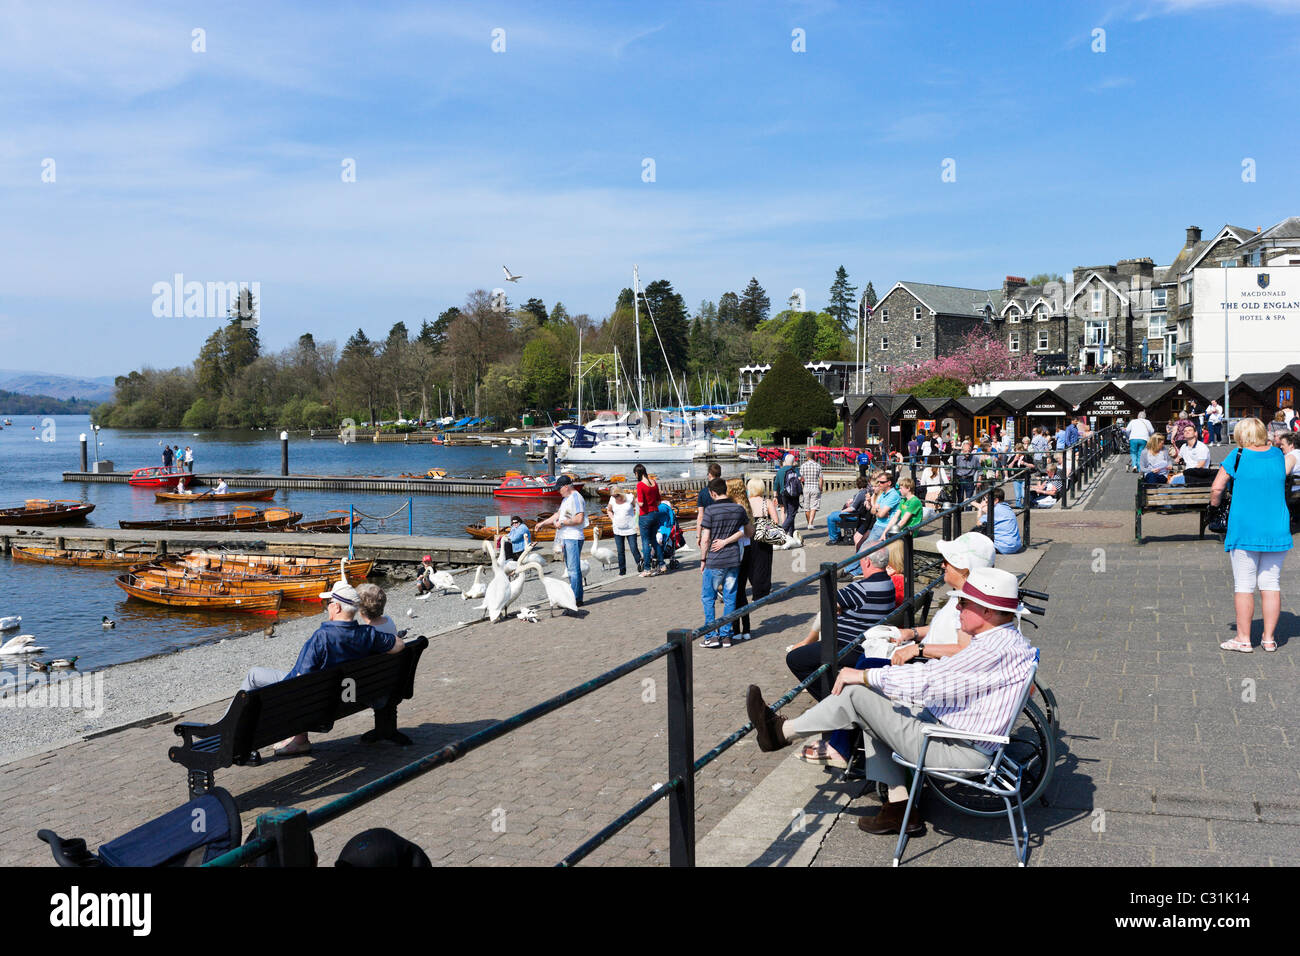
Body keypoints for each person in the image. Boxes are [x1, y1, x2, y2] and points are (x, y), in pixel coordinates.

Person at [747, 566, 1035, 835]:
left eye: (963, 604)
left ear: (986, 610)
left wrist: (866, 676)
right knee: (874, 698)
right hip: (957, 735)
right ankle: (899, 808)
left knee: (858, 690)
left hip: (957, 750)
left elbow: (931, 684)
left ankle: (780, 733)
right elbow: (941, 676)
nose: (957, 608)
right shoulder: (1005, 642)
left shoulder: (991, 651)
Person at [239, 581, 404, 755]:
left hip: (310, 699)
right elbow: (399, 644)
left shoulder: (322, 637)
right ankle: (299, 739)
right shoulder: (367, 634)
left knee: (254, 675)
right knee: (304, 683)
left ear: (337, 608)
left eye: (329, 603)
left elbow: (299, 682)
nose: (327, 607)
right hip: (344, 696)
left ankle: (226, 726)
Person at [782, 548, 897, 767]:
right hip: (861, 645)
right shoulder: (887, 583)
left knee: (796, 659)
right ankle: (836, 707)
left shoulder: (861, 588)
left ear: (866, 562)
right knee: (812, 658)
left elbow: (828, 604)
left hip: (849, 648)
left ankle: (834, 708)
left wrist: (840, 611)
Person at [1211, 418, 1292, 653]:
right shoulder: (1278, 455)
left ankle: (1243, 639)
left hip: (1245, 528)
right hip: (1276, 528)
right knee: (1271, 584)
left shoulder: (1237, 456)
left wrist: (1214, 505)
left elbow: (1217, 488)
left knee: (1244, 585)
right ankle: (1268, 639)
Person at [698, 478, 752, 649]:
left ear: (713, 493)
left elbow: (705, 539)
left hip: (715, 560)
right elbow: (749, 531)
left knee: (708, 598)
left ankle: (712, 636)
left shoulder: (710, 511)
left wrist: (703, 559)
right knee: (730, 597)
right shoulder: (738, 509)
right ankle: (727, 636)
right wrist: (733, 537)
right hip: (733, 559)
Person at [534, 475, 587, 607]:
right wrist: (542, 523)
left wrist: (562, 523)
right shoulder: (566, 499)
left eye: (559, 488)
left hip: (573, 537)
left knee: (573, 570)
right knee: (571, 569)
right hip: (567, 537)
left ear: (566, 486)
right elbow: (557, 515)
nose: (558, 491)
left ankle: (574, 599)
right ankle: (575, 598)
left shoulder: (576, 498)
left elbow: (579, 519)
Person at [745, 477, 779, 604]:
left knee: (750, 564)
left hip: (749, 535)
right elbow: (776, 521)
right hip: (764, 534)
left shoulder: (745, 503)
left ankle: (756, 588)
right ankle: (762, 592)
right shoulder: (767, 502)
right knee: (764, 563)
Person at [633, 464, 663, 577]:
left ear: (637, 473)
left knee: (645, 542)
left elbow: (640, 503)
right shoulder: (654, 483)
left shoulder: (640, 485)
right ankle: (662, 564)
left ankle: (647, 569)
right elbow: (659, 502)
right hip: (655, 513)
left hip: (645, 515)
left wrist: (635, 499)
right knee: (654, 541)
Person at [974, 487, 1024, 554]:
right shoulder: (1007, 507)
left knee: (979, 530)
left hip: (1004, 547)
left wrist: (980, 509)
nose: (986, 501)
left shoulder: (994, 511)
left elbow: (978, 524)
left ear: (996, 500)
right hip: (1016, 546)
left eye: (987, 499)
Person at [605, 490, 642, 576]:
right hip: (618, 529)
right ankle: (622, 571)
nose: (615, 497)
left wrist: (637, 521)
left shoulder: (629, 497)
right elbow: (609, 510)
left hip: (631, 528)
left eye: (617, 495)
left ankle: (641, 566)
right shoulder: (612, 499)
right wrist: (613, 519)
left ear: (621, 493)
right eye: (614, 496)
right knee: (620, 551)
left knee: (634, 549)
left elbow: (637, 507)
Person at [862, 470, 901, 545]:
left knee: (865, 549)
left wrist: (878, 510)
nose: (879, 484)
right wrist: (879, 510)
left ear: (889, 483)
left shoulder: (893, 495)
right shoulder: (883, 494)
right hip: (877, 525)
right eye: (878, 482)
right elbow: (872, 511)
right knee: (864, 547)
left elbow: (880, 514)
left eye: (882, 482)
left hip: (884, 527)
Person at [827, 476, 869, 545]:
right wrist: (852, 500)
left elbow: (853, 508)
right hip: (857, 514)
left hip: (854, 515)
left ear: (858, 484)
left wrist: (842, 511)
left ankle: (834, 539)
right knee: (833, 513)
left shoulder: (860, 493)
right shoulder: (865, 492)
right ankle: (837, 536)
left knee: (830, 518)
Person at [695, 463, 723, 546]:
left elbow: (700, 516)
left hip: (709, 527)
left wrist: (698, 536)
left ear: (709, 474)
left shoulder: (703, 492)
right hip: (724, 526)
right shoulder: (726, 489)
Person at [775, 453, 799, 536]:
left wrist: (775, 496)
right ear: (793, 461)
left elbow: (776, 484)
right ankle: (782, 531)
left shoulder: (780, 471)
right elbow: (799, 480)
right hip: (793, 495)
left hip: (783, 494)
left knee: (788, 513)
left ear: (785, 461)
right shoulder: (795, 470)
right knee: (792, 514)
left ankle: (791, 534)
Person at [799, 453, 824, 530]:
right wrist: (820, 488)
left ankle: (809, 523)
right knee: (814, 506)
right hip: (815, 488)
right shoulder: (818, 466)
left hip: (806, 488)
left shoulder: (803, 466)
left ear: (807, 457)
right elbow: (821, 479)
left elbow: (801, 478)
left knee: (806, 507)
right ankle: (810, 523)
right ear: (814, 457)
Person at [656, 500, 680, 571]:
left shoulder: (659, 509)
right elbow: (672, 520)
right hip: (667, 529)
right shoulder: (670, 511)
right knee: (668, 540)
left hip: (661, 529)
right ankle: (666, 550)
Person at [953, 440, 978, 504]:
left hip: (969, 479)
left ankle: (968, 512)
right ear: (962, 451)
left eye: (969, 451)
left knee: (969, 498)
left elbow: (979, 469)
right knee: (960, 497)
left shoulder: (974, 458)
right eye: (965, 451)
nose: (967, 453)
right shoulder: (958, 457)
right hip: (960, 478)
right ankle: (960, 512)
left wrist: (979, 479)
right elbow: (953, 469)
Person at [1007, 442, 1030, 508]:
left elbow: (1033, 466)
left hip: (1024, 477)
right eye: (1016, 450)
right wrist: (1014, 460)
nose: (1017, 452)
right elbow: (1009, 467)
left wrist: (1025, 463)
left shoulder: (1026, 456)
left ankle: (1025, 506)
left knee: (1023, 494)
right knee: (1017, 496)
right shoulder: (1014, 457)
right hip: (1016, 478)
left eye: (1019, 450)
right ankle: (1018, 507)